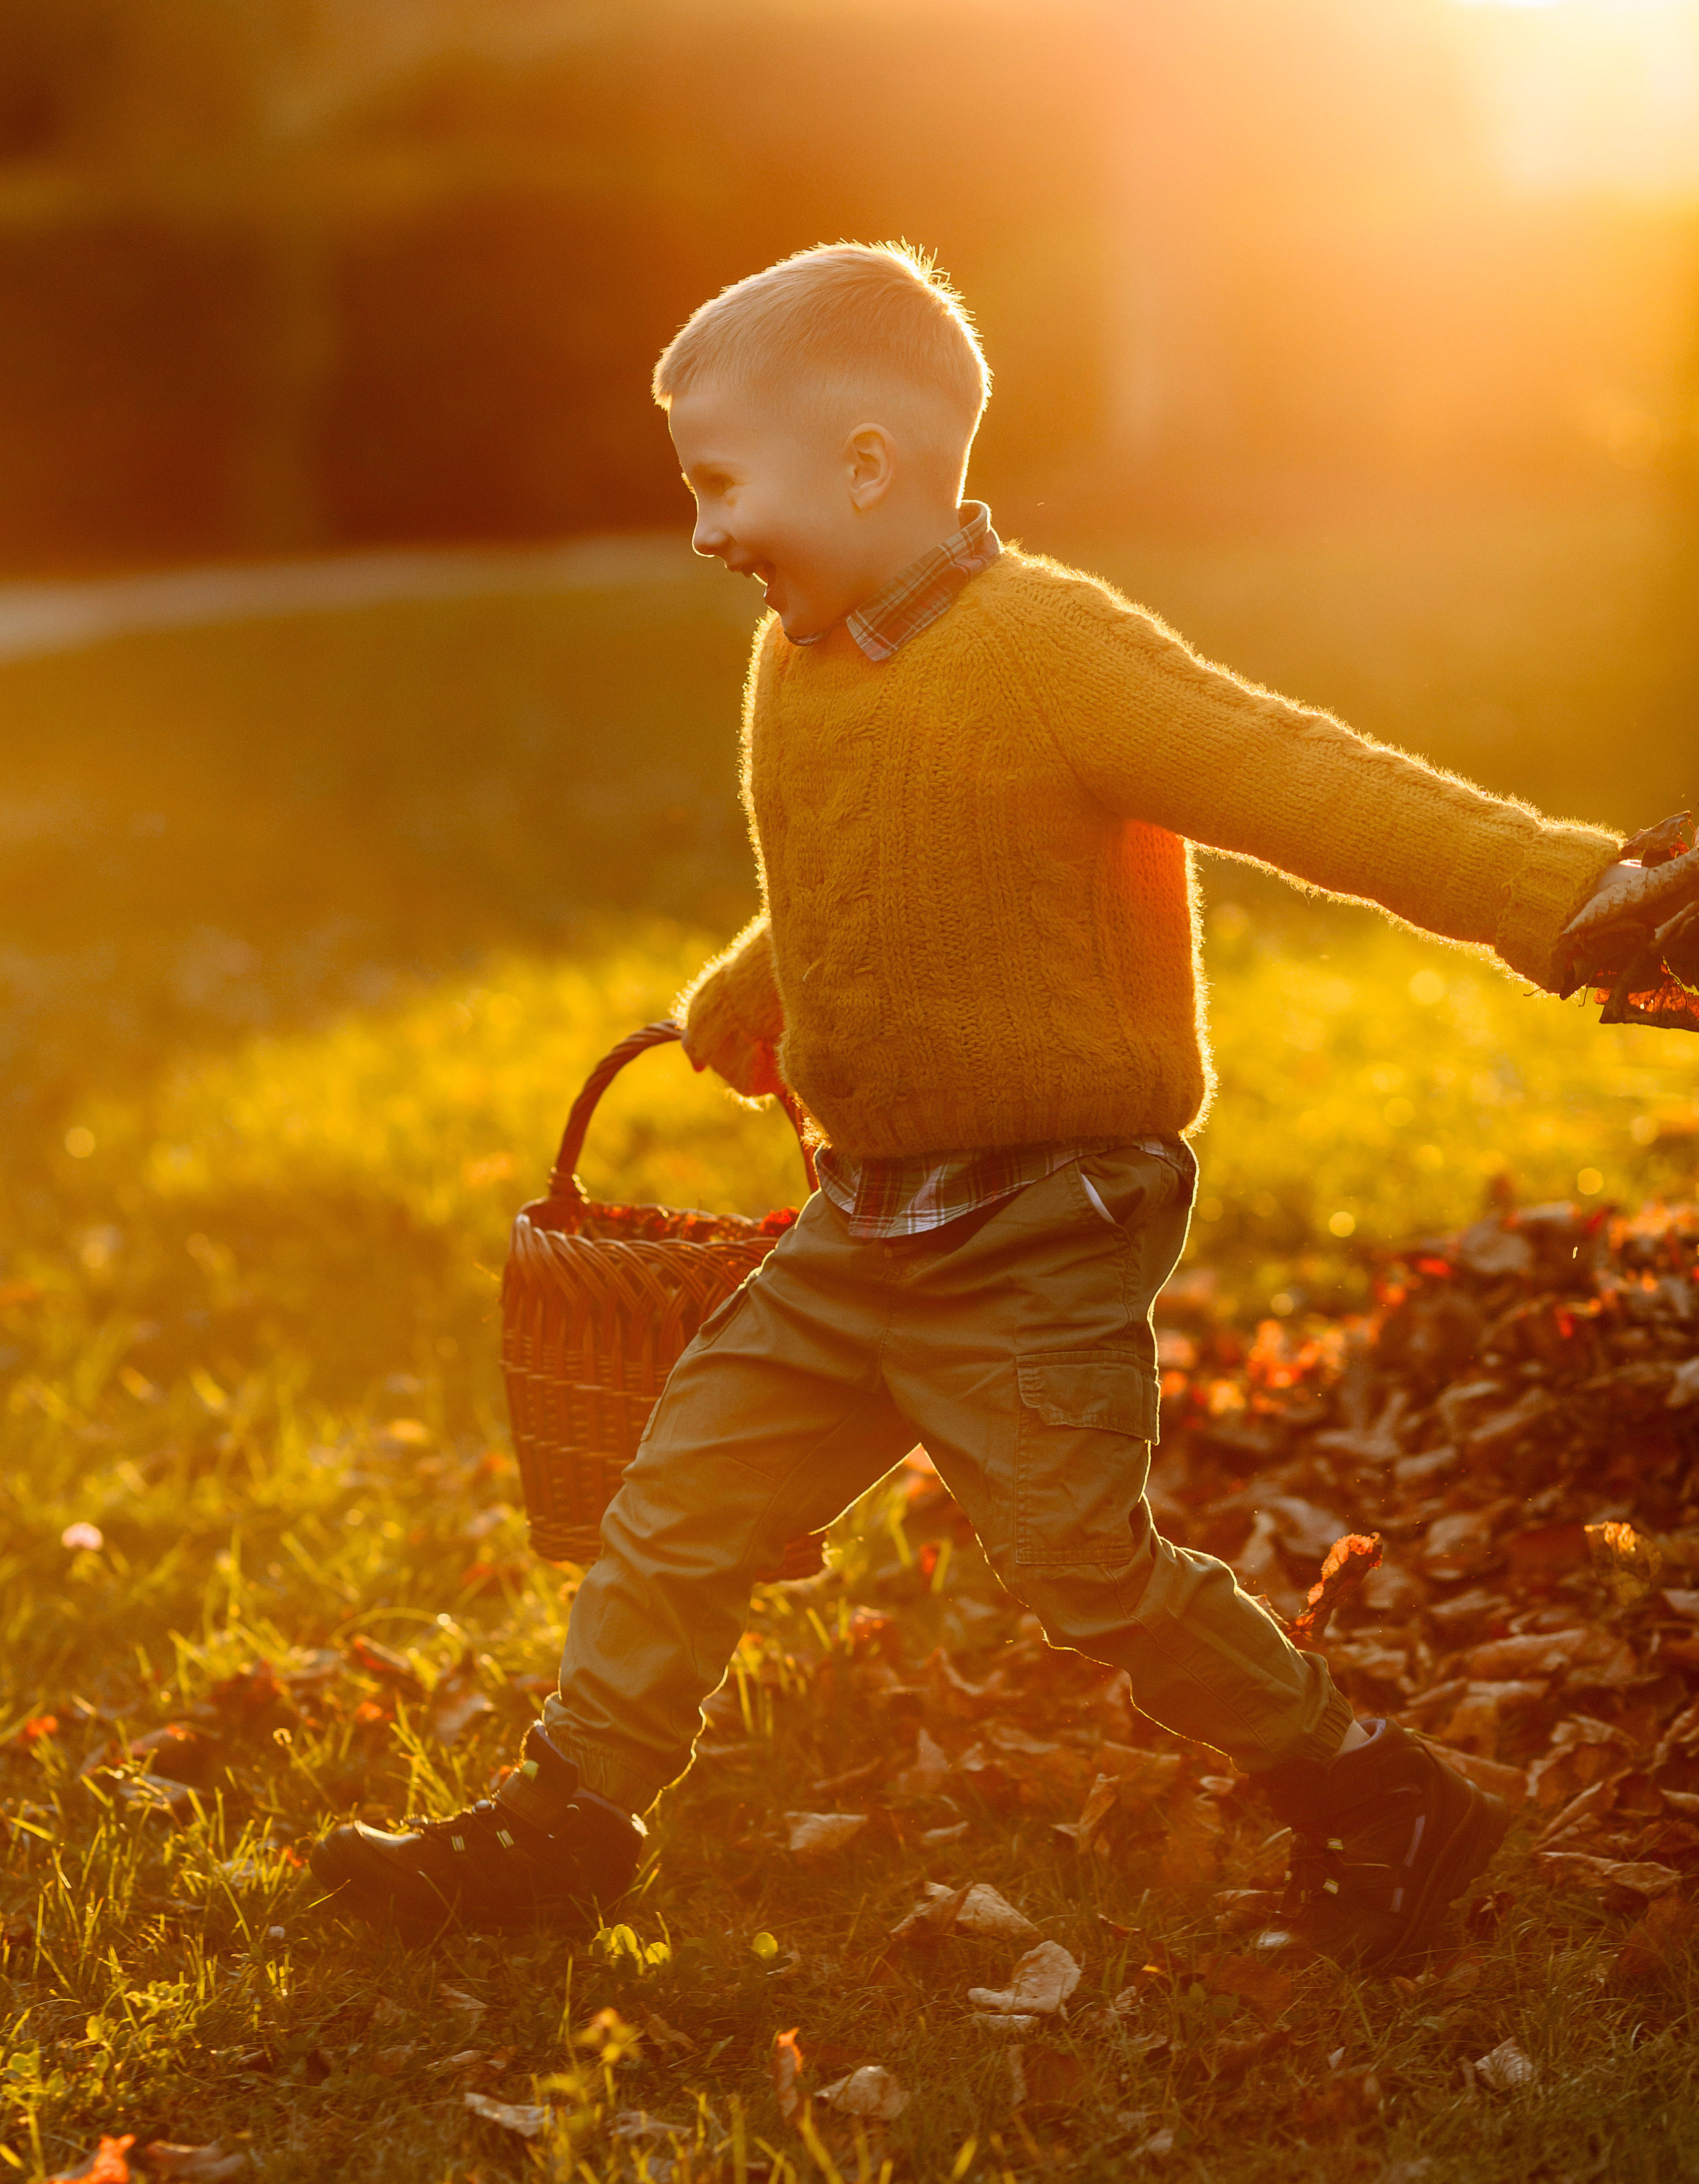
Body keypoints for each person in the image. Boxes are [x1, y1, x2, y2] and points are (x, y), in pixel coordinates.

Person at [311, 240, 1676, 1968]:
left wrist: (1569, 894)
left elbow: (1299, 776)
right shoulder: (799, 659)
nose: (704, 530)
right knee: (679, 1496)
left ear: (865, 465)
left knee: (1084, 1569)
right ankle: (568, 1822)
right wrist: (750, 986)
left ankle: (1376, 1794)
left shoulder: (1047, 649)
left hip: (1046, 1212)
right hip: (865, 1220)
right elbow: (867, 866)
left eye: (721, 484)